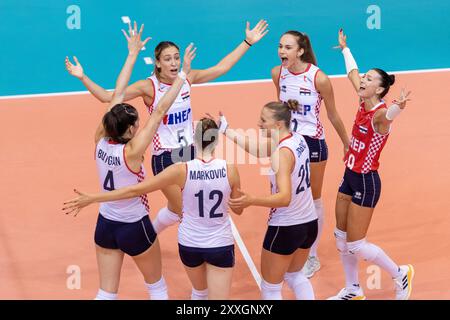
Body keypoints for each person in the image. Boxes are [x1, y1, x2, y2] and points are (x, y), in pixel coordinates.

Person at [65, 20, 268, 235]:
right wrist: (83, 77)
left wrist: (247, 42)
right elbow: (109, 96)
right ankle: (188, 249)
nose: (174, 63)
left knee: (179, 207)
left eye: (177, 58)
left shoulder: (187, 78)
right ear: (158, 63)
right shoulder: (149, 86)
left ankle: (152, 232)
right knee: (188, 212)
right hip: (165, 158)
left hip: (190, 152)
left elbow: (222, 68)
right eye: (168, 59)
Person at [63, 22, 196, 299]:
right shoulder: (133, 152)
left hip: (105, 225)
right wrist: (182, 75)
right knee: (157, 286)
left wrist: (132, 54)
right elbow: (159, 111)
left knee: (106, 291)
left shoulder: (99, 140)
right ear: (132, 129)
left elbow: (117, 95)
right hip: (134, 225)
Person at [63, 118, 243, 300]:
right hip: (220, 243)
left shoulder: (180, 170)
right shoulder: (231, 170)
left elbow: (133, 190)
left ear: (193, 139)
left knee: (199, 292)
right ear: (217, 141)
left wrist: (93, 198)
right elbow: (238, 209)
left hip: (190, 243)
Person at [328, 29, 413, 300]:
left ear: (379, 89)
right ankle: (353, 290)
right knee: (341, 238)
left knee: (356, 244)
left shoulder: (378, 116)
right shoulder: (363, 99)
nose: (363, 80)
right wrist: (345, 49)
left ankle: (400, 273)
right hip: (349, 176)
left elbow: (388, 118)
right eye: (365, 77)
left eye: (369, 79)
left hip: (367, 181)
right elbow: (352, 74)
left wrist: (397, 108)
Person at [215, 99, 318, 300]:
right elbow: (259, 150)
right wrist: (226, 130)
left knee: (271, 287)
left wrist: (251, 199)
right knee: (295, 276)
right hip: (309, 223)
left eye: (263, 120)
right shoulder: (297, 140)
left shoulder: (281, 154)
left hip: (286, 226)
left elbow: (284, 198)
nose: (258, 123)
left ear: (278, 124)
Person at [271, 30, 350, 278]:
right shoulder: (277, 73)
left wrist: (347, 144)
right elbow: (282, 111)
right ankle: (288, 247)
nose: (282, 51)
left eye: (288, 47)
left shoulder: (319, 79)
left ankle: (311, 255)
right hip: (287, 143)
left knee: (311, 200)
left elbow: (333, 115)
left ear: (301, 51)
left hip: (313, 144)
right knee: (286, 195)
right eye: (280, 46)